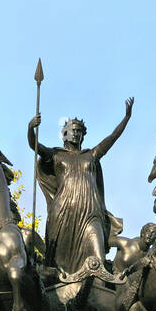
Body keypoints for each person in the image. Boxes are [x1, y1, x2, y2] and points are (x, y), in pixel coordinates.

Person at [28, 99, 133, 278]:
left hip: (90, 211)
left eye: (79, 131)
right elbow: (35, 146)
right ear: (65, 134)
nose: (76, 134)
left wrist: (126, 118)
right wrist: (30, 129)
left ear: (83, 135)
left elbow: (111, 138)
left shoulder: (91, 155)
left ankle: (103, 285)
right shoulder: (56, 155)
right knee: (58, 263)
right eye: (72, 130)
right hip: (63, 212)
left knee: (97, 255)